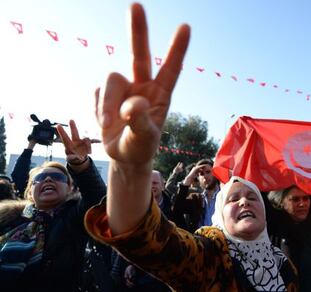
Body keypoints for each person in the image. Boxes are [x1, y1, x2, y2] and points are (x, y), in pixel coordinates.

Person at [84, 3, 297, 291]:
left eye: (251, 197)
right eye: (233, 199)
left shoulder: (286, 267)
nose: (244, 202)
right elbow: (148, 242)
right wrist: (131, 169)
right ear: (219, 214)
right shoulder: (208, 255)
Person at [0, 120, 106, 291]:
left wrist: (80, 165)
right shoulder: (7, 220)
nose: (48, 179)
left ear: (70, 189)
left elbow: (97, 198)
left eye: (58, 177)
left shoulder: (74, 217)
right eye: (40, 178)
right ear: (29, 191)